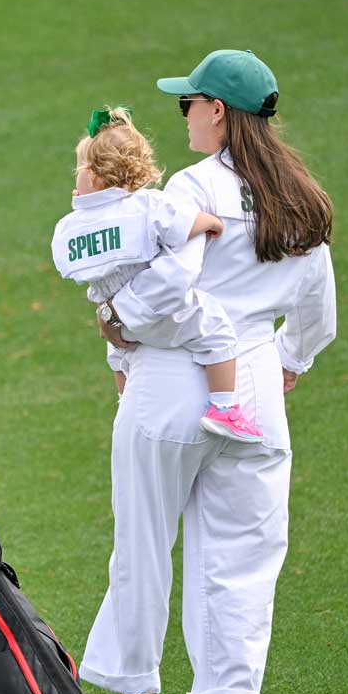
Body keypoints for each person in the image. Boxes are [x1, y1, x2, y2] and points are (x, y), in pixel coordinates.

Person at [80, 50, 336, 694]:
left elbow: (150, 291)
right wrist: (286, 362)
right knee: (244, 555)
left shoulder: (186, 191)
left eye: (188, 102)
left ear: (218, 110)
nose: (184, 113)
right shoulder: (300, 195)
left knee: (141, 545)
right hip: (252, 380)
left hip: (169, 379)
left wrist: (119, 335)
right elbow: (319, 313)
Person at [51, 106, 262, 442]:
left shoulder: (72, 225)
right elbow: (183, 224)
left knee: (117, 355)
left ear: (93, 177)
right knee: (217, 329)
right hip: (166, 316)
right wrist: (208, 221)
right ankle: (224, 408)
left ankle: (124, 402)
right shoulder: (148, 205)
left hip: (119, 323)